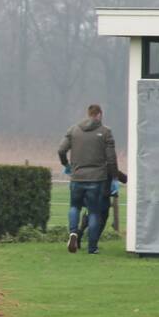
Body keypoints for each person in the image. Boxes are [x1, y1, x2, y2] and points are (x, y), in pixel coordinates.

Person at [58, 104, 120, 255]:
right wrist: (114, 178)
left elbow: (61, 150)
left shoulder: (73, 130)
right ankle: (92, 248)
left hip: (77, 177)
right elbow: (111, 159)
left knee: (74, 206)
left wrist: (67, 165)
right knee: (94, 212)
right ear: (99, 115)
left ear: (88, 114)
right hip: (97, 179)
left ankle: (73, 233)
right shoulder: (106, 132)